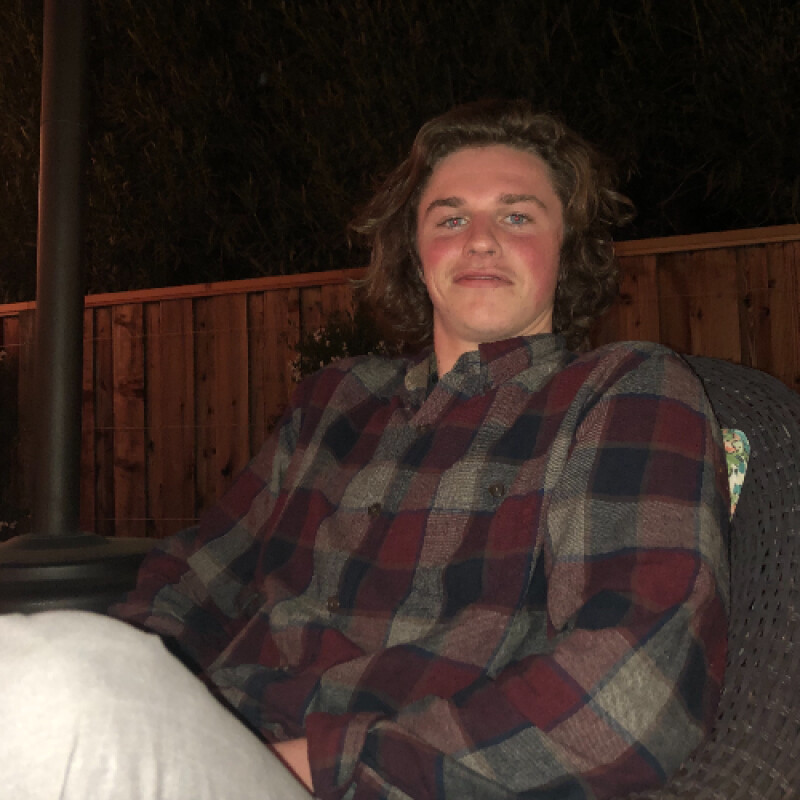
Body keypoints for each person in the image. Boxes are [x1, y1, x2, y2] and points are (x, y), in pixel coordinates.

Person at [1, 99, 729, 800]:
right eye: (450, 217)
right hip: (205, 740)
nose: (480, 239)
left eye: (517, 215)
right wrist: (137, 683)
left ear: (566, 252)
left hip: (376, 778)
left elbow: (635, 686)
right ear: (415, 252)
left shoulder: (622, 392)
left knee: (40, 683)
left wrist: (318, 763)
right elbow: (195, 580)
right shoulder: (335, 402)